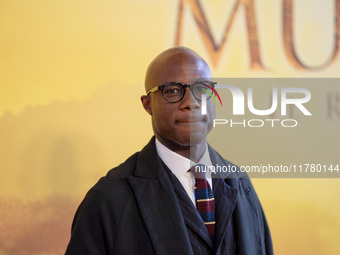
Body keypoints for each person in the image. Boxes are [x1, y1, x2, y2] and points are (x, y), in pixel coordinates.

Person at [65, 47, 273, 255]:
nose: (191, 103)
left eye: (202, 89)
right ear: (148, 105)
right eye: (173, 90)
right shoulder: (108, 199)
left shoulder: (241, 184)